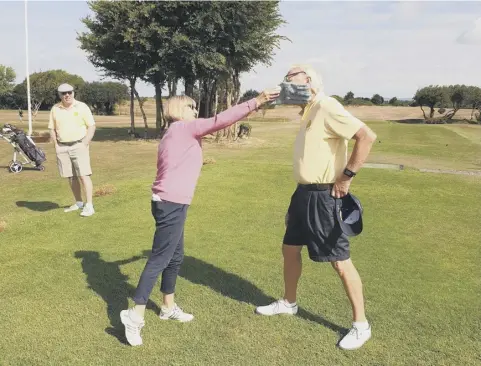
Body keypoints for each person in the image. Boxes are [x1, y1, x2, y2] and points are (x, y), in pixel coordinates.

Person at [120, 87, 281, 347]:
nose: (196, 111)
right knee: (160, 259)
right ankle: (134, 315)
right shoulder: (183, 129)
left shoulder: (175, 132)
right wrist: (257, 101)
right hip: (171, 203)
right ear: (178, 110)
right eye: (191, 107)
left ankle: (167, 306)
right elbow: (221, 121)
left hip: (173, 202)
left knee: (175, 256)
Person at [255, 65, 377, 351]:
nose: (285, 82)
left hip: (324, 196)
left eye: (290, 78)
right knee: (289, 248)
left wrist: (346, 177)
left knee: (339, 260)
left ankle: (361, 325)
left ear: (307, 80)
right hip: (303, 194)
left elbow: (366, 137)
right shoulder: (308, 111)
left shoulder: (326, 105)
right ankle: (289, 302)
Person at [48, 83, 96, 217]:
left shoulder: (82, 107)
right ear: (59, 95)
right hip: (62, 146)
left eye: (69, 92)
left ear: (73, 93)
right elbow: (52, 128)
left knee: (83, 175)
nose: (67, 95)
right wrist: (56, 145)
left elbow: (91, 126)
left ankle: (89, 205)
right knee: (70, 176)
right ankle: (79, 202)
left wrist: (85, 143)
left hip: (79, 145)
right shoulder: (55, 109)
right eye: (63, 93)